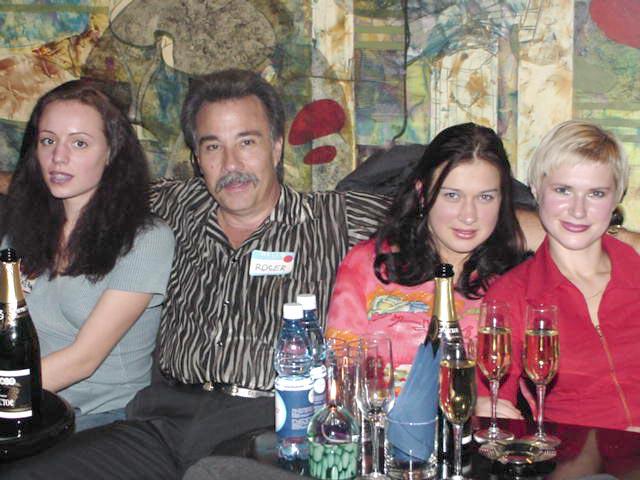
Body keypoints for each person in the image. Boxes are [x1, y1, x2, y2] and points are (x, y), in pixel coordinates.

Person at [1, 69, 390, 479]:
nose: (231, 164)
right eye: (212, 146)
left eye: (247, 142)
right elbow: (88, 181)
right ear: (197, 158)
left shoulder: (335, 217)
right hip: (161, 421)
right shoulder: (176, 207)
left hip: (266, 422)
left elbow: (424, 218)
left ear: (276, 147)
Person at [0, 81, 175, 431]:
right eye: (48, 141)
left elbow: (83, 360)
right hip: (26, 408)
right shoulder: (22, 228)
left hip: (105, 419)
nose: (58, 157)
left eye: (79, 143)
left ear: (111, 152)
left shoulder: (145, 239)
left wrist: (6, 395)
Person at [326, 122, 528, 419]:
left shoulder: (514, 281)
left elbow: (505, 396)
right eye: (452, 195)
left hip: (473, 442)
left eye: (485, 197)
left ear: (502, 200)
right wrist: (462, 405)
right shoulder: (368, 265)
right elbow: (339, 378)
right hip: (378, 437)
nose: (469, 215)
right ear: (423, 194)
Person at [484, 120, 640, 430]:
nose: (578, 210)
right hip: (575, 453)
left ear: (616, 198)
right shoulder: (512, 294)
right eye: (563, 190)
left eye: (596, 193)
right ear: (536, 189)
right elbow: (492, 401)